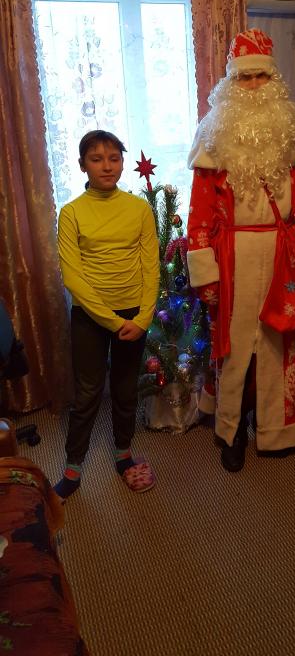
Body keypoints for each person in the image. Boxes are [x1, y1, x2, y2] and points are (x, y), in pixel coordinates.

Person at [187, 28, 295, 471]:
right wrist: (205, 270)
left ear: (273, 79)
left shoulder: (291, 128)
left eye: (260, 76)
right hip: (232, 256)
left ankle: (277, 428)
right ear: (231, 82)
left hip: (281, 252)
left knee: (278, 341)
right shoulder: (213, 133)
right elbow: (200, 211)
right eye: (244, 78)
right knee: (235, 346)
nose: (252, 86)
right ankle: (233, 428)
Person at [54, 130, 160, 499]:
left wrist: (143, 318)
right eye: (97, 159)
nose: (107, 166)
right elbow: (73, 277)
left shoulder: (139, 209)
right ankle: (73, 466)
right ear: (82, 164)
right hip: (90, 316)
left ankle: (123, 453)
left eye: (114, 158)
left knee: (126, 388)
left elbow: (151, 266)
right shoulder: (71, 213)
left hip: (134, 315)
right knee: (87, 393)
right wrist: (114, 323)